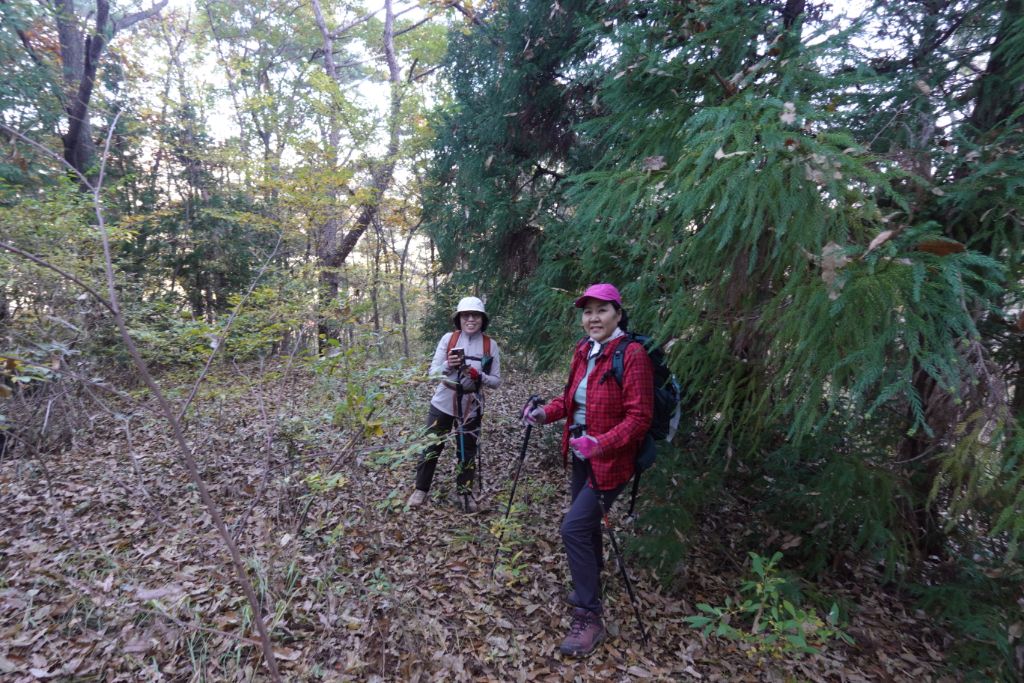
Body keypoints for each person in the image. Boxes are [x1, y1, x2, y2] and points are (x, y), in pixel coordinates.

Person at [522, 283, 653, 657]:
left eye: (601, 310)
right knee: (588, 526)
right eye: (587, 311)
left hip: (611, 462)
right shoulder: (584, 349)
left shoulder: (632, 355)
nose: (593, 318)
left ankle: (589, 616)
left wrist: (601, 443)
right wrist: (543, 413)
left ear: (618, 314)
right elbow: (569, 400)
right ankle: (590, 584)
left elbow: (640, 418)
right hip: (581, 456)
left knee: (574, 528)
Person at [408, 296, 501, 512]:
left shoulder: (490, 345)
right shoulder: (448, 339)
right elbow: (432, 373)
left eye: (475, 315)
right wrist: (448, 365)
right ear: (458, 319)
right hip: (443, 401)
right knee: (431, 446)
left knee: (467, 450)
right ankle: (421, 489)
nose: (470, 319)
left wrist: (480, 376)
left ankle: (464, 492)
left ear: (482, 319)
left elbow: (496, 381)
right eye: (465, 315)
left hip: (471, 405)